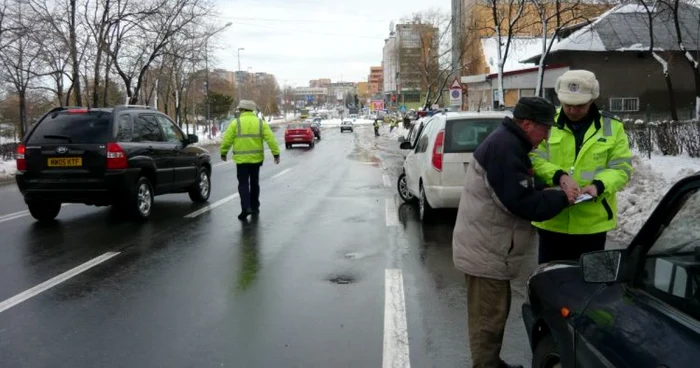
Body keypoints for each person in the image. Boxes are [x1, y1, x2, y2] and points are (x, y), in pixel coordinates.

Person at [452, 97, 576, 368]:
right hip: (486, 253)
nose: (546, 138)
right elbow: (521, 202)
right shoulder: (504, 148)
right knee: (488, 323)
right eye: (545, 130)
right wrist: (563, 200)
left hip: (489, 249)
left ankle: (492, 363)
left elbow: (523, 180)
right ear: (528, 124)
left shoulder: (510, 144)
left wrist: (553, 181)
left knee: (493, 315)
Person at [530, 70, 633, 264]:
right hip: (552, 219)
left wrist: (598, 186)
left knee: (589, 286)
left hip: (592, 225)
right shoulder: (546, 123)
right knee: (550, 282)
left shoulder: (612, 127)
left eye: (579, 105)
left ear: (592, 99)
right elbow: (534, 158)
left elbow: (621, 168)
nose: (572, 110)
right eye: (567, 104)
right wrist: (558, 176)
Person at [220, 100, 281, 221]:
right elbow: (271, 139)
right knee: (254, 183)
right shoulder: (260, 123)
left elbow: (227, 140)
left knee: (243, 184)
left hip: (241, 161)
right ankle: (255, 207)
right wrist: (276, 154)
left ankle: (245, 208)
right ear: (252, 110)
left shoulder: (235, 123)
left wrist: (223, 152)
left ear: (242, 110)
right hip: (256, 160)